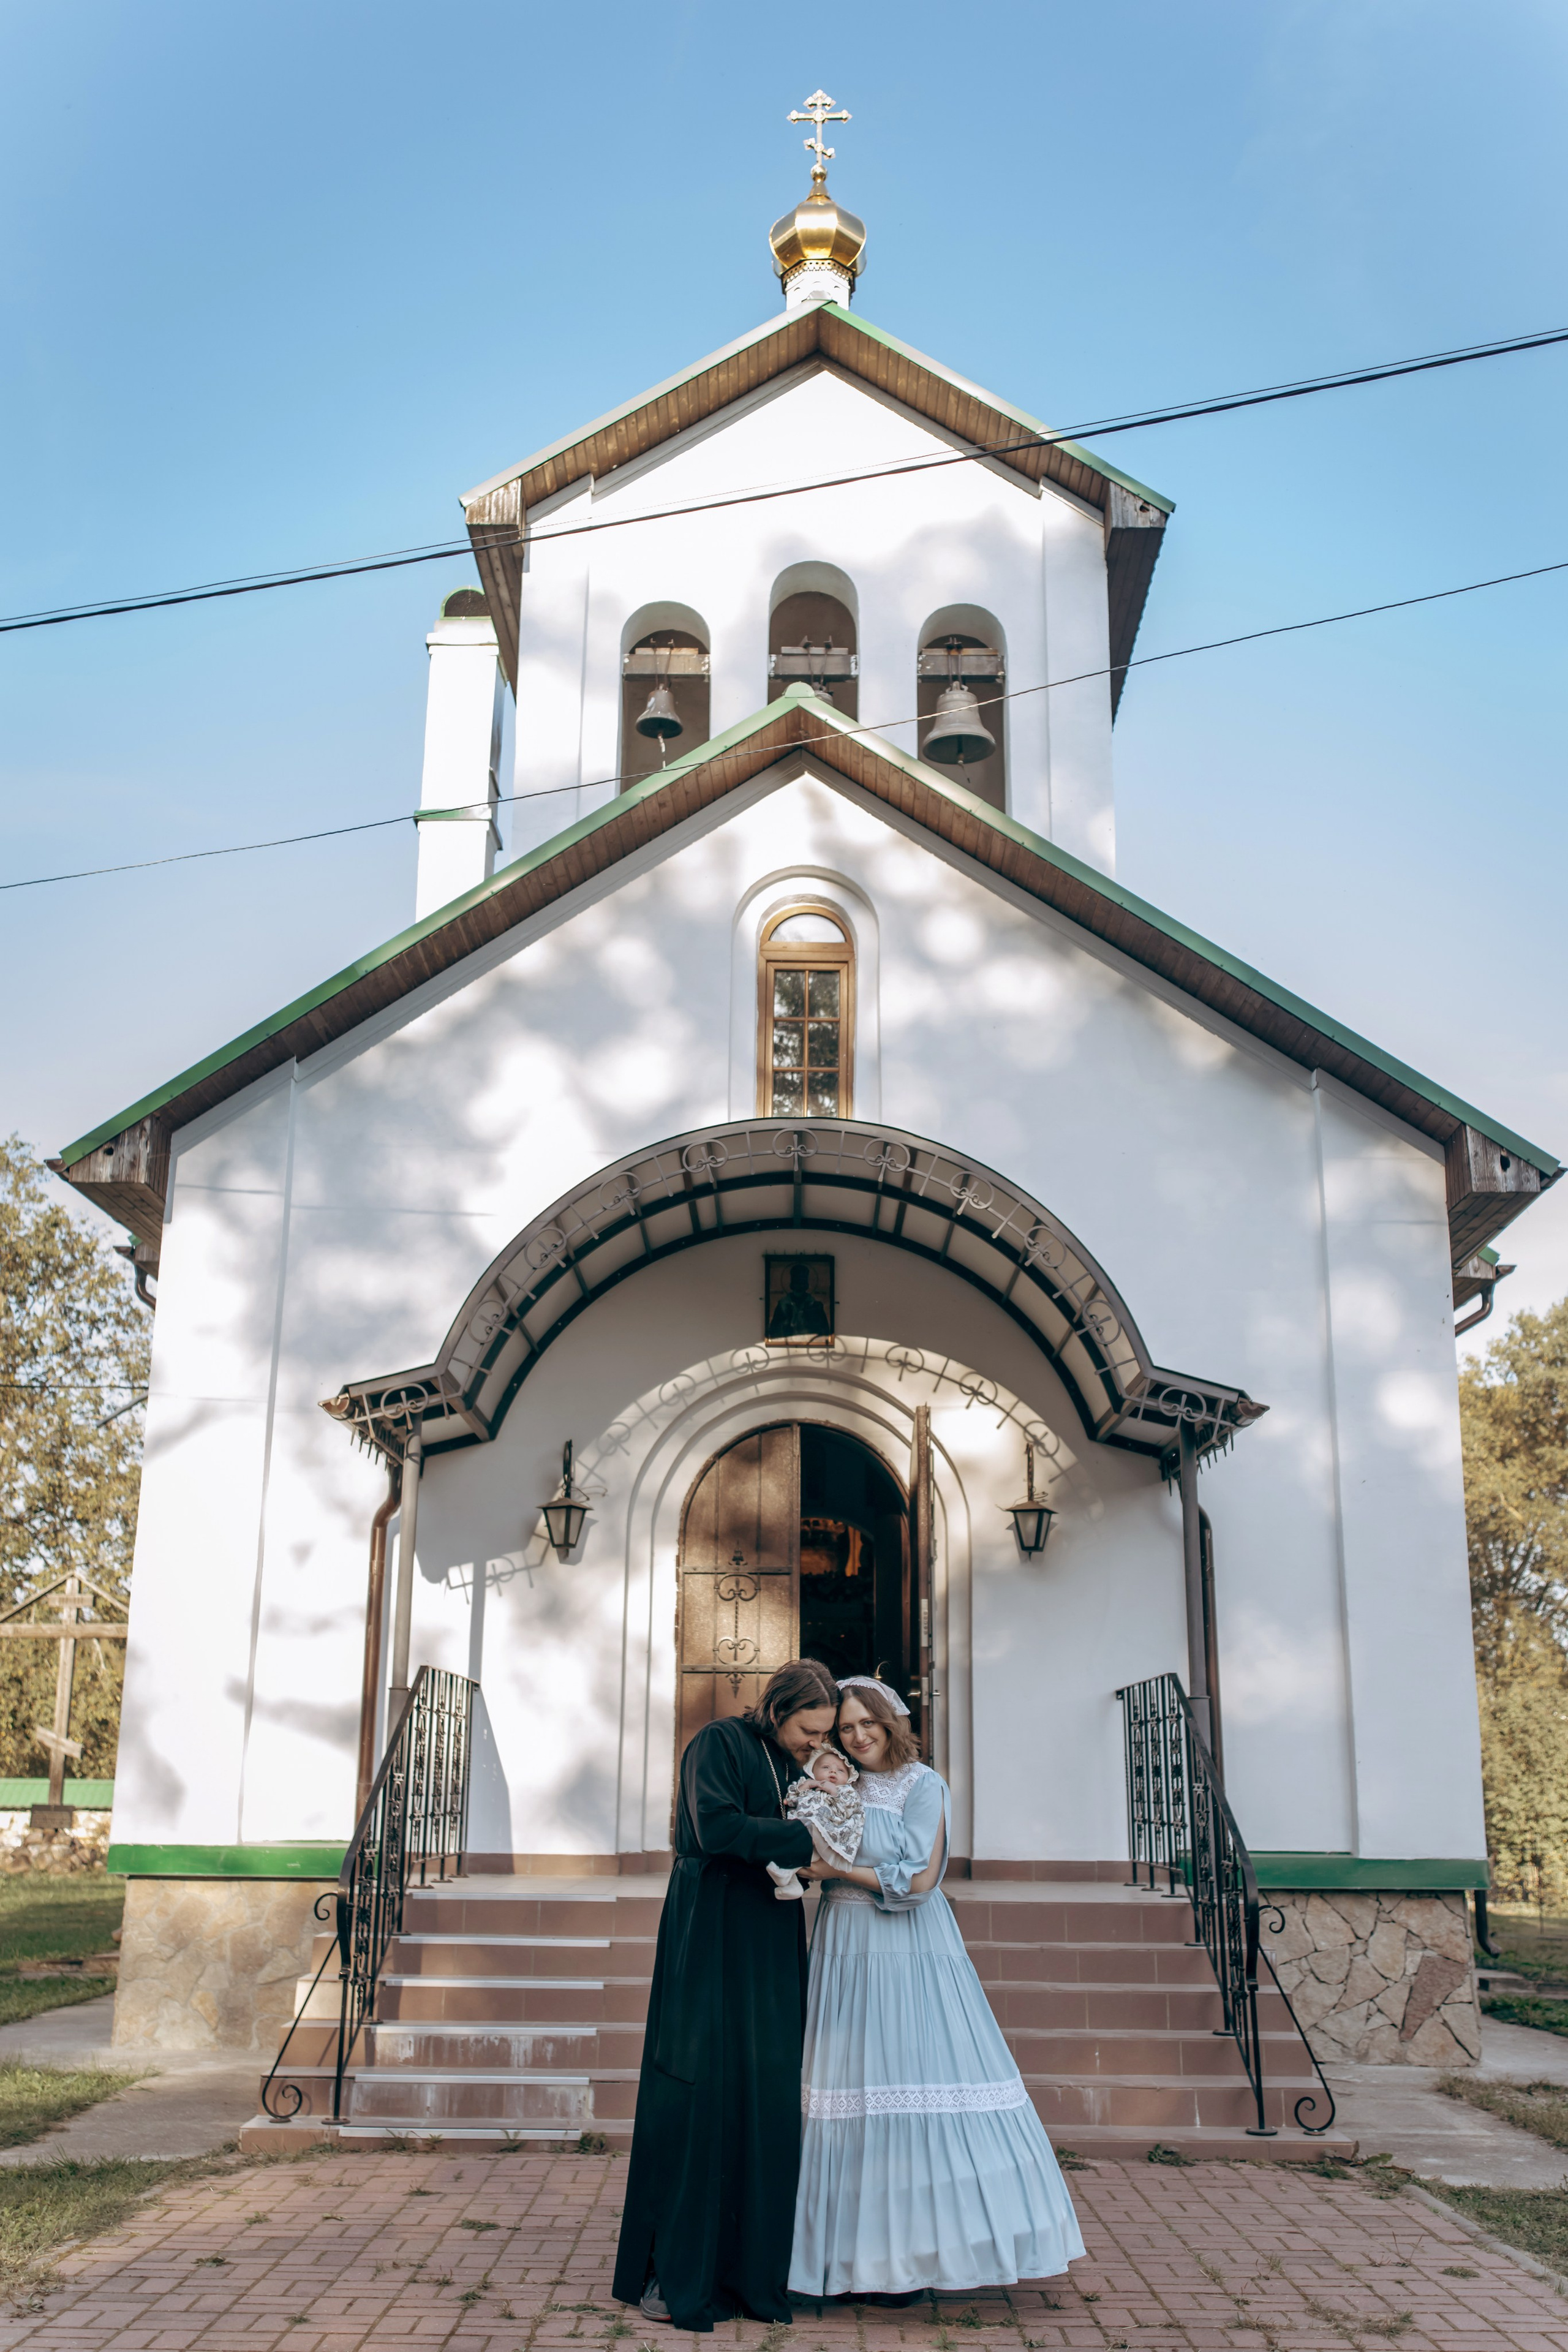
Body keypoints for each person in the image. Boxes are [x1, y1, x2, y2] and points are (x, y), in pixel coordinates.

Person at [790, 1675, 1085, 2302]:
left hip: (910, 1947)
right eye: (845, 1728)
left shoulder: (923, 1784)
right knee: (850, 2084)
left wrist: (838, 1868)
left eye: (867, 1723)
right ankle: (851, 2258)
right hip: (843, 1940)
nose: (857, 1736)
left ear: (891, 1721)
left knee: (910, 2074)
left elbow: (921, 1880)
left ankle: (918, 2252)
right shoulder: (831, 1784)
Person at [613, 1658, 839, 2333]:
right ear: (777, 1710)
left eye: (823, 1732)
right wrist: (808, 1840)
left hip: (769, 1931)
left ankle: (752, 2274)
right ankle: (675, 2270)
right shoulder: (718, 1743)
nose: (814, 1742)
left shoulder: (803, 1767)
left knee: (767, 2089)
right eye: (807, 1728)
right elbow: (713, 1828)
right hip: (709, 1925)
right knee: (699, 2088)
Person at [768, 1744, 862, 1898]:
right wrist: (807, 1785)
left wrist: (833, 1791)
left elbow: (848, 1809)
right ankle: (793, 1884)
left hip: (827, 1833)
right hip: (799, 1831)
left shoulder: (846, 1791)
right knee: (798, 1853)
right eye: (826, 1767)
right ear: (813, 1771)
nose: (833, 1772)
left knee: (803, 1853)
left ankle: (785, 1871)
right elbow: (789, 1800)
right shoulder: (809, 1787)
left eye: (840, 1770)